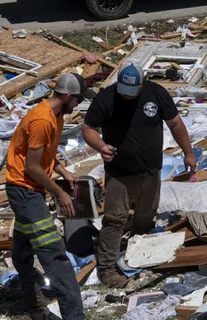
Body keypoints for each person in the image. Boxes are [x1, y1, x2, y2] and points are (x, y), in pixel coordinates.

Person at [82, 64, 195, 288]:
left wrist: (188, 153)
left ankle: (138, 253)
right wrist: (101, 146)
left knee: (146, 213)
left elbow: (175, 123)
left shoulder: (156, 93)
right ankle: (107, 268)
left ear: (142, 85)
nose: (127, 96)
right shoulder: (106, 98)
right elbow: (88, 129)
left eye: (131, 92)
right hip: (119, 172)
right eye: (123, 91)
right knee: (115, 218)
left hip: (150, 170)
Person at [5, 73, 89, 320]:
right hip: (25, 192)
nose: (78, 105)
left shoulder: (57, 115)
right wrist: (59, 192)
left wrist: (63, 171)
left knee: (22, 252)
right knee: (55, 256)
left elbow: (45, 155)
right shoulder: (42, 120)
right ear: (68, 96)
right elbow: (32, 167)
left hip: (29, 190)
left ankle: (31, 303)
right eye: (78, 100)